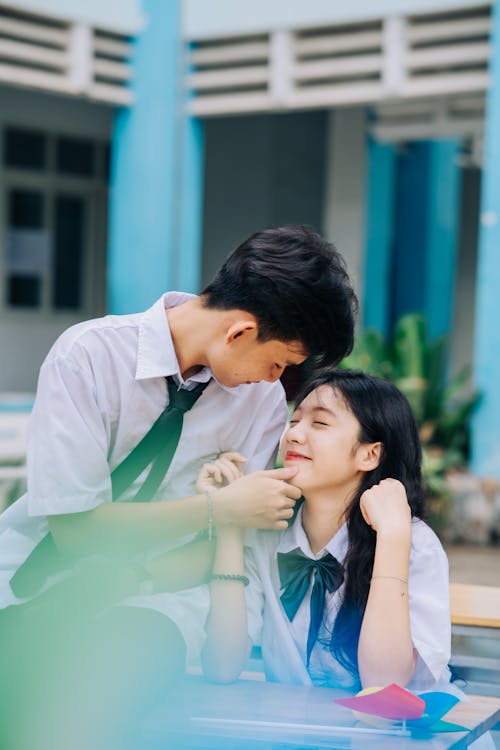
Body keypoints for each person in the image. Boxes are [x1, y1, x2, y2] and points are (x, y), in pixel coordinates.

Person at [0, 226, 357, 749]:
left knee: (97, 686)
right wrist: (218, 507)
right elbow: (74, 528)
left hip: (160, 600)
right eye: (278, 362)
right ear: (239, 332)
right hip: (32, 575)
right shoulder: (89, 356)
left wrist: (141, 576)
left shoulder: (256, 403)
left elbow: (222, 541)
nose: (274, 380)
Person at [200, 369, 454, 693]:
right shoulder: (267, 531)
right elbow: (222, 666)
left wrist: (392, 540)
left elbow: (385, 688)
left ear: (369, 454)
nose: (294, 434)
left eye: (319, 423)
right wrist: (230, 525)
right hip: (296, 735)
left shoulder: (413, 543)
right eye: (294, 421)